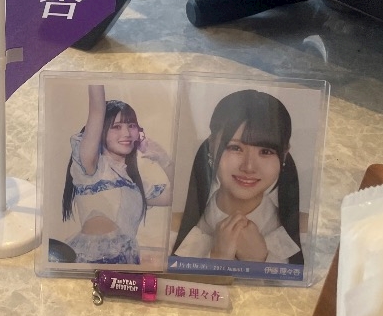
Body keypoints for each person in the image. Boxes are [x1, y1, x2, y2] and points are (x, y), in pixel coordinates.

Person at [171, 89, 304, 265]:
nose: (248, 167)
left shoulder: (306, 232)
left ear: (284, 155)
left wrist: (258, 262)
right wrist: (218, 259)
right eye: (235, 148)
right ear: (212, 146)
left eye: (265, 151)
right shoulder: (171, 230)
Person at [61, 84, 174, 264]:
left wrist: (163, 159)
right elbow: (97, 109)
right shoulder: (92, 167)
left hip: (127, 264)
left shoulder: (136, 184)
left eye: (131, 126)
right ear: (101, 131)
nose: (126, 133)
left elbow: (179, 197)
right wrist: (97, 70)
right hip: (93, 264)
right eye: (116, 127)